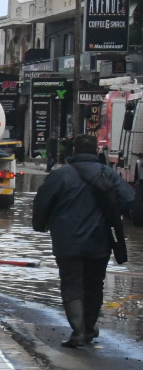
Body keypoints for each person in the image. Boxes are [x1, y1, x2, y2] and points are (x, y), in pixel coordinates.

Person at [32, 133, 134, 348]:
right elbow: (129, 201)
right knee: (94, 285)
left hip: (67, 243)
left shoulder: (60, 176)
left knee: (71, 284)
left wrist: (40, 225)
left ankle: (77, 332)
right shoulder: (109, 174)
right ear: (96, 150)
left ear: (74, 151)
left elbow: (42, 203)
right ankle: (88, 328)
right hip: (100, 242)